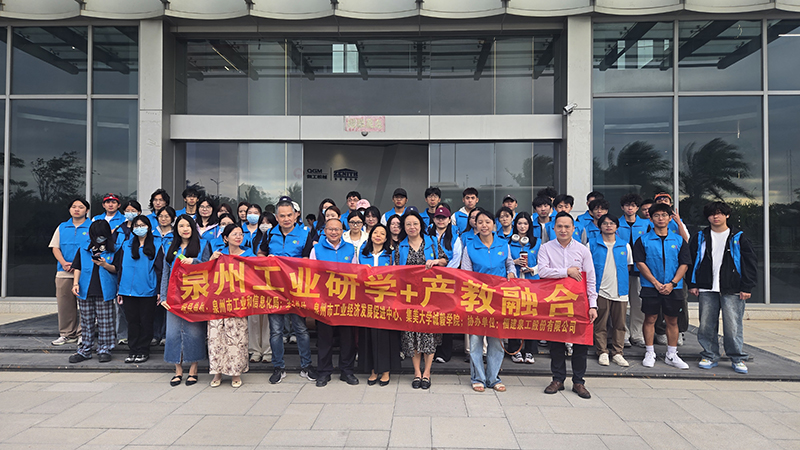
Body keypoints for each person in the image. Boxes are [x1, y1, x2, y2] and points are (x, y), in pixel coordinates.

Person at [689, 201, 757, 374]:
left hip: (733, 288)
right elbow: (691, 261)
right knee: (706, 325)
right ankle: (710, 355)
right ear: (708, 217)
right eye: (712, 213)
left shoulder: (739, 237)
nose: (716, 216)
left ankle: (737, 358)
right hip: (707, 287)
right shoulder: (700, 237)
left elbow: (750, 263)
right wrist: (693, 284)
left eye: (719, 213)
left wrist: (746, 287)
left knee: (733, 325)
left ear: (727, 215)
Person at [257, 197, 318, 384]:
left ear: (296, 215)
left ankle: (306, 366)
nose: (286, 219)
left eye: (289, 215)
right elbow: (260, 254)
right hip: (274, 290)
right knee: (275, 331)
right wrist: (267, 260)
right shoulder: (269, 234)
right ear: (276, 216)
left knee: (301, 329)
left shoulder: (305, 233)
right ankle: (278, 367)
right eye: (282, 216)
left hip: (296, 290)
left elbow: (309, 260)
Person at [539, 212, 598, 399]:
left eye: (567, 227)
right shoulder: (546, 248)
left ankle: (579, 382)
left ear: (574, 229)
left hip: (578, 303)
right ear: (553, 228)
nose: (563, 230)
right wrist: (567, 271)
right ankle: (557, 379)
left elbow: (591, 279)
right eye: (559, 226)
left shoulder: (582, 250)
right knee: (556, 342)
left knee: (580, 343)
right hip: (555, 302)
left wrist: (593, 304)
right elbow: (542, 272)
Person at [461, 210, 516, 393]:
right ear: (475, 225)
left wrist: (511, 273)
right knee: (476, 341)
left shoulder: (503, 244)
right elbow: (467, 274)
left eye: (488, 222)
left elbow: (509, 264)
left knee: (496, 340)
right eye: (480, 222)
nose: (484, 225)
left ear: (494, 224)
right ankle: (478, 378)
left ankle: (493, 378)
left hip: (499, 299)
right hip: (477, 299)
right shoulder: (469, 247)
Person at [633, 203, 692, 370]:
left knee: (672, 320)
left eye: (664, 215)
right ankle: (649, 351)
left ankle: (671, 354)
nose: (661, 218)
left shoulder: (678, 240)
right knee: (650, 319)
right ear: (651, 218)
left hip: (674, 287)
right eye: (657, 215)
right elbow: (640, 262)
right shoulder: (643, 240)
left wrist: (672, 283)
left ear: (669, 218)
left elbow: (684, 263)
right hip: (651, 286)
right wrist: (655, 283)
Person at [396, 211, 445, 389]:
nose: (412, 227)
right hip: (408, 298)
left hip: (430, 297)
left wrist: (437, 261)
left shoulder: (431, 243)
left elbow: (446, 261)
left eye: (415, 224)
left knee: (429, 335)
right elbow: (395, 271)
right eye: (408, 224)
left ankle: (427, 372)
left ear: (421, 225)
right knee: (412, 336)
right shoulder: (399, 247)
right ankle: (417, 372)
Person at [309, 218, 358, 387]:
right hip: (324, 301)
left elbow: (356, 273)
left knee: (347, 338)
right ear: (324, 231)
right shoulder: (316, 249)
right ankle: (324, 372)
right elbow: (311, 273)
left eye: (337, 229)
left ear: (342, 231)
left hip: (345, 301)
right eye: (330, 229)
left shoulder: (350, 249)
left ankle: (347, 371)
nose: (334, 232)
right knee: (325, 338)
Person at [161, 214, 207, 386]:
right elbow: (165, 272)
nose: (185, 229)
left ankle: (194, 369)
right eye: (181, 226)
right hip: (173, 297)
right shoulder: (169, 246)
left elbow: (209, 267)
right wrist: (163, 296)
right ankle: (178, 370)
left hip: (194, 295)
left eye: (188, 226)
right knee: (173, 333)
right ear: (176, 229)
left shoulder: (203, 245)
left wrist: (195, 261)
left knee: (194, 332)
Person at [68, 220, 122, 364]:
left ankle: (105, 349)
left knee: (106, 322)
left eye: (102, 235)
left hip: (105, 289)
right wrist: (75, 283)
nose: (99, 237)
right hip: (85, 288)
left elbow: (117, 269)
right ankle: (85, 349)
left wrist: (104, 264)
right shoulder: (84, 248)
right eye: (97, 235)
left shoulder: (114, 248)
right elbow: (77, 267)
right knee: (86, 321)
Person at [207, 224, 253, 387]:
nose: (238, 237)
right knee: (216, 337)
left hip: (237, 302)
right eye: (234, 234)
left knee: (237, 338)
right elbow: (206, 275)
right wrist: (211, 261)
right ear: (225, 238)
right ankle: (217, 373)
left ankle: (235, 373)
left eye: (241, 234)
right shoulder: (218, 254)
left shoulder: (249, 254)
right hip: (218, 302)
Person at [357, 224, 401, 385]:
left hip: (386, 302)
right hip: (367, 301)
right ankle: (373, 370)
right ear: (370, 235)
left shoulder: (391, 255)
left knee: (385, 337)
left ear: (386, 237)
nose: (378, 235)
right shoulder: (363, 253)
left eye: (382, 233)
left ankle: (386, 370)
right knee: (369, 336)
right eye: (376, 232)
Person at [589, 214, 633, 367]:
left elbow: (628, 266)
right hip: (600, 290)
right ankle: (602, 351)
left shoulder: (624, 245)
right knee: (600, 323)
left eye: (612, 223)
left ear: (617, 226)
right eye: (605, 223)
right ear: (599, 226)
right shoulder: (592, 244)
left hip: (620, 290)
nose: (608, 226)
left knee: (619, 324)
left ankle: (618, 352)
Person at [118, 215, 160, 364]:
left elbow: (160, 269)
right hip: (128, 290)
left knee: (146, 321)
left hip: (148, 290)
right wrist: (119, 289)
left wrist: (160, 291)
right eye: (136, 226)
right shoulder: (126, 245)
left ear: (149, 227)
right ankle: (133, 350)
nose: (139, 228)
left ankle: (143, 350)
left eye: (142, 225)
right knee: (132, 322)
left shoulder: (157, 244)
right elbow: (120, 268)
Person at [49, 198, 91, 346]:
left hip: (85, 273)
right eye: (74, 207)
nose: (77, 209)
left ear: (87, 210)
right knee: (65, 304)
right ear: (69, 210)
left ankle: (83, 334)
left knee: (85, 305)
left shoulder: (91, 227)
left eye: (81, 207)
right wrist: (64, 263)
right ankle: (67, 334)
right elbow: (55, 247)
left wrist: (79, 265)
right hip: (64, 272)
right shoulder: (62, 227)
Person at [428, 206, 462, 364]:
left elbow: (457, 257)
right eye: (438, 218)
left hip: (448, 279)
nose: (440, 220)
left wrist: (446, 272)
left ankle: (445, 352)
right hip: (429, 279)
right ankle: (431, 350)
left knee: (447, 315)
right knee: (431, 315)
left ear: (449, 220)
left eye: (444, 218)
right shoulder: (427, 232)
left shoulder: (455, 234)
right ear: (434, 219)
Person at [506, 212, 540, 364]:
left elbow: (544, 263)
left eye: (525, 224)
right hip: (514, 285)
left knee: (531, 318)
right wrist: (514, 262)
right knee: (514, 317)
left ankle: (530, 351)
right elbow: (505, 262)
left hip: (532, 284)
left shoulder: (537, 242)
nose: (522, 226)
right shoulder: (507, 242)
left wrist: (532, 269)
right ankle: (515, 350)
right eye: (519, 223)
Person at [617, 194, 649, 348]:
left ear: (638, 208)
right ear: (622, 207)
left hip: (640, 271)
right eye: (627, 205)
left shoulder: (646, 225)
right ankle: (623, 334)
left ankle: (637, 334)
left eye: (633, 205)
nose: (630, 208)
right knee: (621, 304)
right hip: (621, 270)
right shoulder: (616, 224)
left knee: (638, 304)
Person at [115, 200, 143, 345]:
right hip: (122, 271)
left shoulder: (144, 229)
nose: (130, 212)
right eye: (128, 210)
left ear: (139, 212)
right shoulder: (118, 229)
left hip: (140, 274)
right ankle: (122, 335)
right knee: (122, 308)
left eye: (133, 210)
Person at [151, 206, 176, 346]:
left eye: (167, 216)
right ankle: (156, 335)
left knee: (167, 304)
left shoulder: (175, 235)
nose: (164, 219)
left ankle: (167, 334)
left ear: (172, 218)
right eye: (161, 216)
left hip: (169, 273)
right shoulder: (152, 234)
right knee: (156, 305)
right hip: (154, 273)